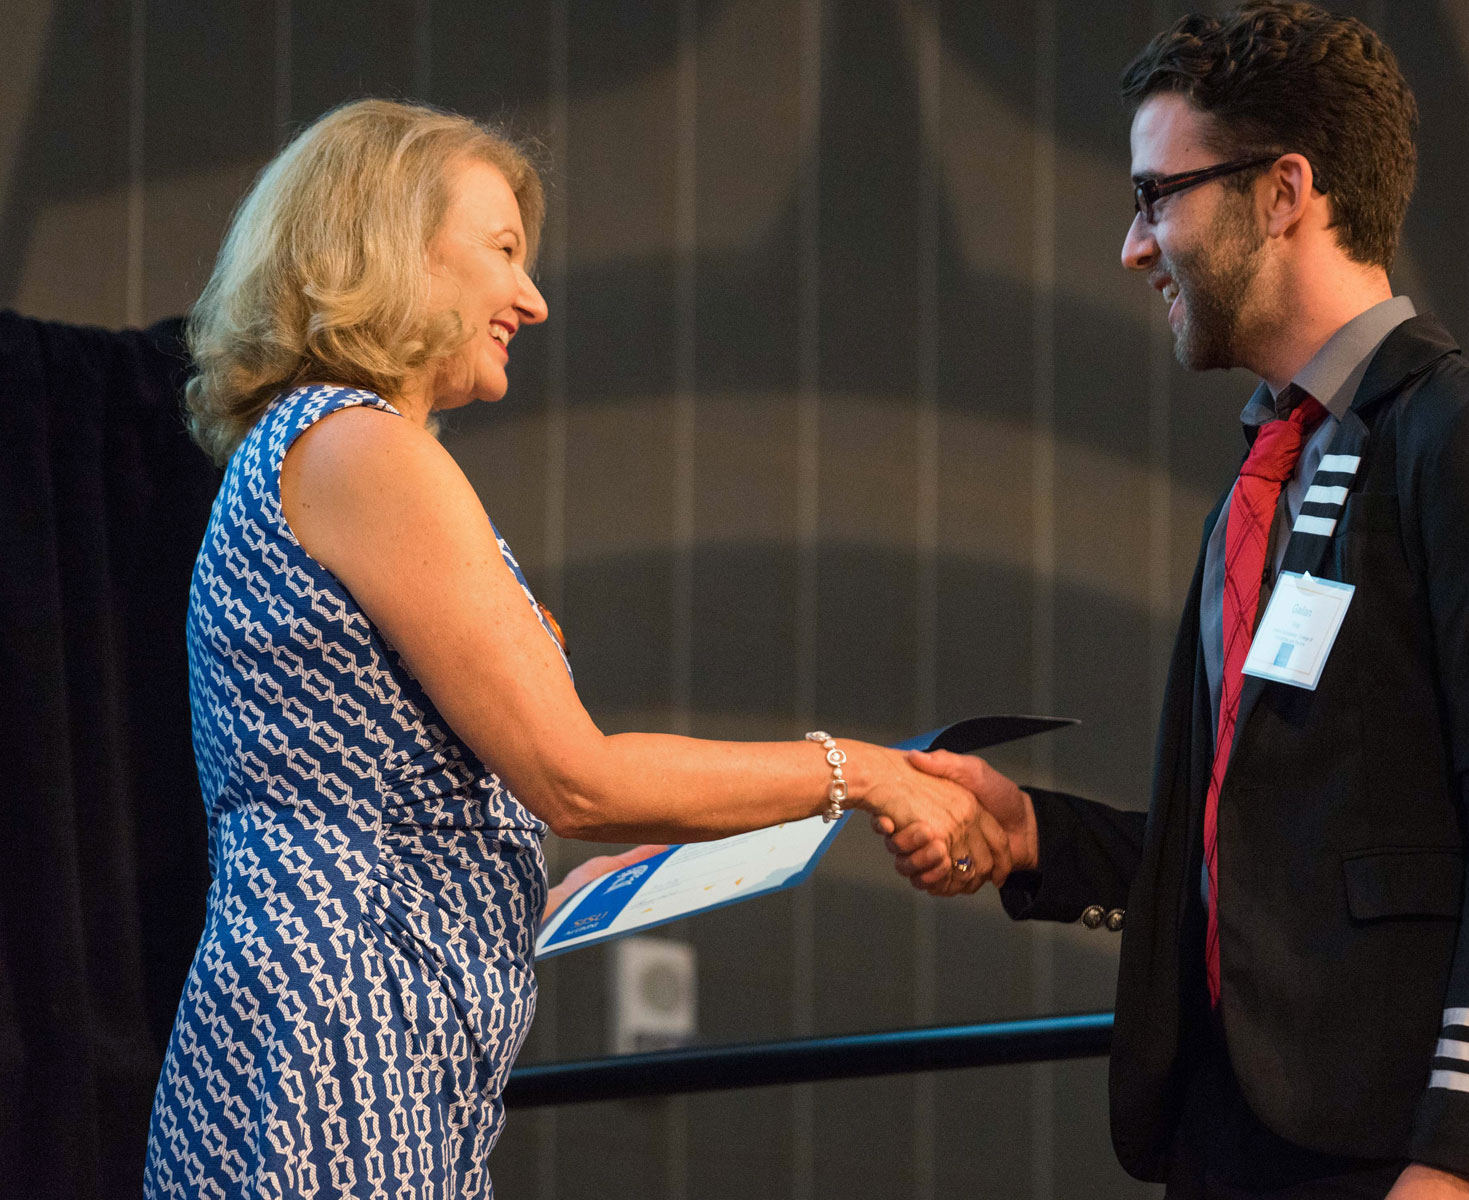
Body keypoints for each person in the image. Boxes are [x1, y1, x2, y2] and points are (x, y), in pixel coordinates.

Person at [145, 98, 1010, 1199]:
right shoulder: (360, 447)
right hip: (335, 1048)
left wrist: (529, 886)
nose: (534, 298)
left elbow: (394, 789)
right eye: (502, 251)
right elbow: (574, 778)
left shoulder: (335, 449)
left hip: (357, 1036)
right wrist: (864, 771)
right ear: (391, 250)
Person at [893, 6, 1469, 1198]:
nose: (1135, 245)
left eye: (1156, 195)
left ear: (1285, 193)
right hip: (1239, 1138)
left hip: (1399, 1154)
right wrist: (1034, 834)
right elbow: (1278, 844)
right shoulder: (1273, 464)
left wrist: (1464, 1162)